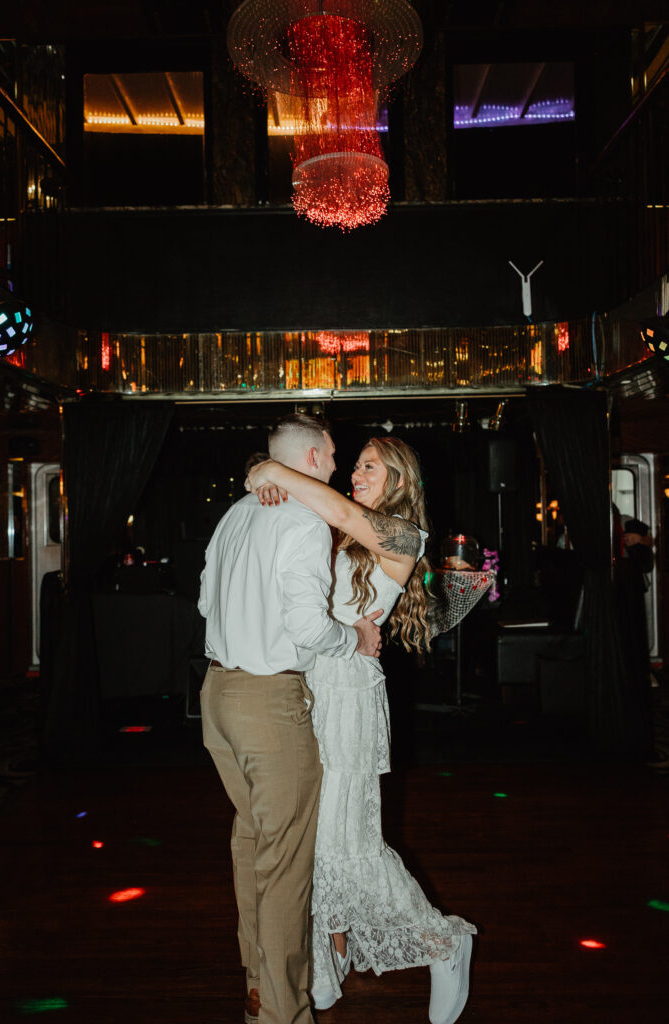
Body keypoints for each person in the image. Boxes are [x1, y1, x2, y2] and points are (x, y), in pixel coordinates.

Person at [247, 436, 477, 1024]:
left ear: (399, 479)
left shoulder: (406, 538)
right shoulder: (339, 534)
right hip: (307, 685)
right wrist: (264, 476)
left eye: (368, 466)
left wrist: (270, 468)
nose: (354, 474)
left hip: (348, 693)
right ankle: (330, 956)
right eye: (354, 466)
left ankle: (443, 943)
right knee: (315, 834)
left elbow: (342, 510)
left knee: (347, 840)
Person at [198, 414, 383, 1024]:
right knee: (283, 870)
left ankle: (258, 991)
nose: (336, 466)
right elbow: (307, 627)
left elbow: (205, 600)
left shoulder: (234, 515)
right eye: (331, 455)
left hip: (217, 696)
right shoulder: (303, 521)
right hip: (267, 705)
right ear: (307, 457)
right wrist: (351, 639)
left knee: (251, 848)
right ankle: (282, 1014)